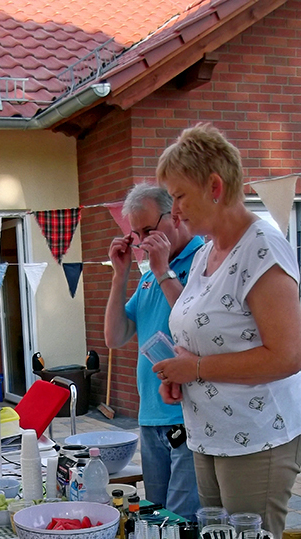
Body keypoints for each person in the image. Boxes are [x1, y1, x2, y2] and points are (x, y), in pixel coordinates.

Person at [153, 124, 301, 539]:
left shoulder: (262, 247)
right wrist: (179, 373)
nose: (175, 212)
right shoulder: (209, 250)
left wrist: (197, 370)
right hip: (211, 433)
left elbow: (287, 356)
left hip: (259, 432)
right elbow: (199, 328)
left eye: (179, 195)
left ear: (214, 186)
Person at [105, 183, 204, 518]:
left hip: (190, 416)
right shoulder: (148, 278)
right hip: (151, 416)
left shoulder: (204, 261)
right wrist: (121, 276)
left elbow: (195, 321)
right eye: (136, 234)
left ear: (175, 216)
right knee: (155, 519)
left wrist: (163, 270)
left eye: (149, 229)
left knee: (179, 524)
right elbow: (115, 337)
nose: (144, 242)